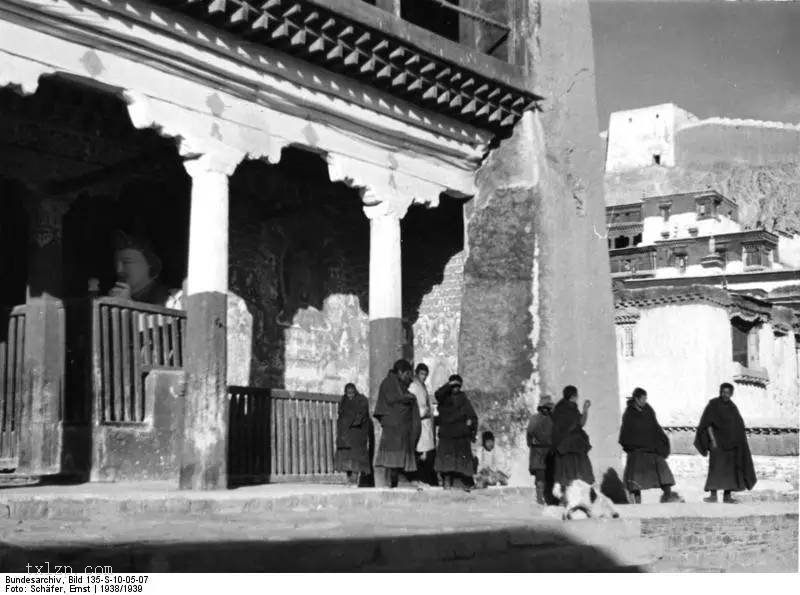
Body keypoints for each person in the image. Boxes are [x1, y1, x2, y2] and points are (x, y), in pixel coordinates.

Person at [694, 383, 757, 503]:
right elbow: (707, 424)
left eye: (728, 393)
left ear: (732, 394)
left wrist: (739, 442)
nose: (725, 395)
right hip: (717, 444)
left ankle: (727, 497)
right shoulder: (713, 405)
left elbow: (738, 425)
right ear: (720, 392)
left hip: (731, 445)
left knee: (731, 470)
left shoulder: (733, 407)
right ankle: (713, 495)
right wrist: (712, 440)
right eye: (723, 392)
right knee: (715, 468)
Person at [619, 388, 679, 503]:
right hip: (637, 450)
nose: (644, 402)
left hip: (652, 449)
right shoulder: (629, 413)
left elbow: (655, 426)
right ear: (636, 399)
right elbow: (626, 431)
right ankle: (636, 500)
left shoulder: (648, 410)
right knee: (635, 478)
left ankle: (668, 495)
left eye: (645, 399)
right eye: (642, 399)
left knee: (662, 470)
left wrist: (662, 440)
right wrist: (632, 445)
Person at [373, 359, 420, 488]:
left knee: (399, 452)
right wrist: (409, 398)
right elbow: (394, 398)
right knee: (394, 454)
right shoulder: (389, 382)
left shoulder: (398, 383)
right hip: (393, 424)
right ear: (400, 372)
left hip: (400, 424)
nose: (409, 378)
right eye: (407, 374)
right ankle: (395, 481)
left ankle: (398, 479)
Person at [434, 374, 478, 490]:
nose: (455, 389)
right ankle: (447, 480)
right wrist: (448, 385)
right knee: (447, 460)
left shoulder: (463, 398)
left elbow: (472, 415)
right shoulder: (444, 397)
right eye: (453, 386)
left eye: (458, 386)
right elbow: (437, 395)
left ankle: (463, 481)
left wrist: (471, 422)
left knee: (462, 460)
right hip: (447, 433)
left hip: (460, 433)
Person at [108, 231, 170, 305]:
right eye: (116, 263)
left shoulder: (167, 298)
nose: (119, 270)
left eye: (127, 262)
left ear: (150, 264)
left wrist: (128, 304)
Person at [550, 385, 595, 487]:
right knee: (577, 473)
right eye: (576, 395)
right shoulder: (570, 409)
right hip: (572, 446)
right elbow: (581, 423)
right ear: (573, 396)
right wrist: (585, 409)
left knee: (565, 475)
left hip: (561, 446)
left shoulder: (559, 408)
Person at [334, 383, 371, 486]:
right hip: (345, 435)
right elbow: (341, 415)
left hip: (357, 434)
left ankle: (354, 480)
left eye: (352, 393)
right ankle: (348, 480)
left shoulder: (361, 400)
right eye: (348, 393)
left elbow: (361, 417)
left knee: (356, 460)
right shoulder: (344, 401)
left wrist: (351, 422)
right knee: (345, 459)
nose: (350, 395)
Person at [409, 363, 436, 486]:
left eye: (425, 374)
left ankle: (424, 479)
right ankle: (419, 478)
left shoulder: (423, 386)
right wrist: (424, 412)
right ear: (417, 373)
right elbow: (414, 406)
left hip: (426, 423)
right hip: (419, 421)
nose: (424, 377)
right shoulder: (414, 386)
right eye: (422, 374)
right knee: (421, 452)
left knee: (426, 452)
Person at [526, 395, 555, 505]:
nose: (546, 409)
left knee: (548, 476)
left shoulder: (553, 418)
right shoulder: (535, 419)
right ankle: (540, 497)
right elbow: (529, 434)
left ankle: (546, 497)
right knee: (540, 475)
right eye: (545, 407)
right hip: (538, 452)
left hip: (548, 452)